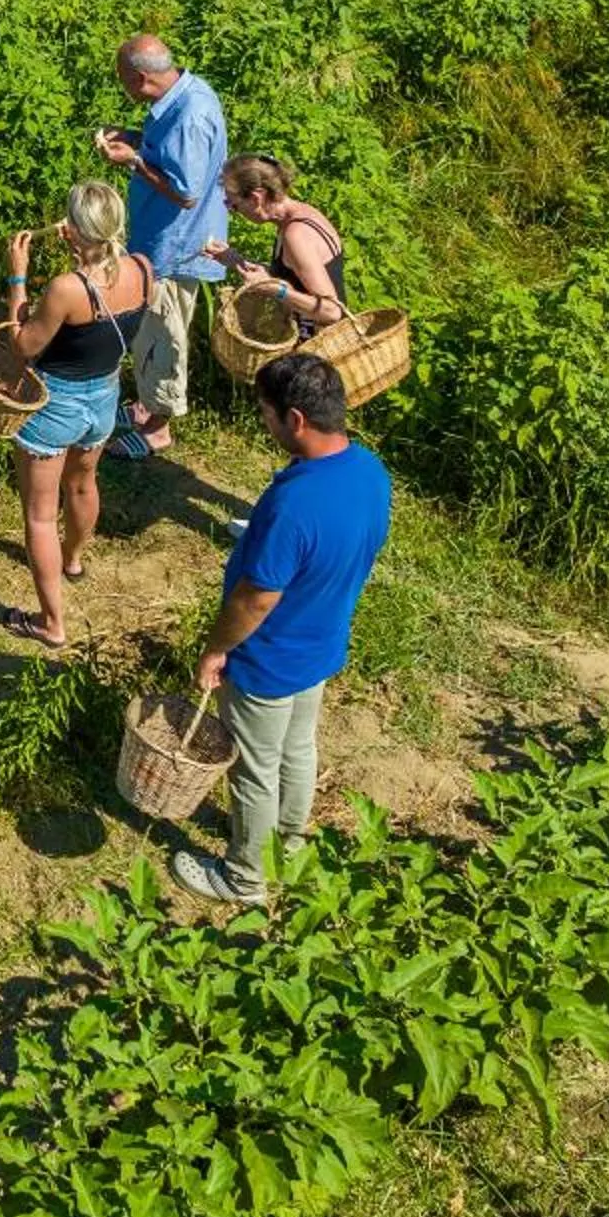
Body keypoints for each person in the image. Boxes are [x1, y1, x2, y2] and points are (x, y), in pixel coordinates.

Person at [168, 352, 393, 905]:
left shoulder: (294, 504)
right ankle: (287, 848)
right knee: (296, 751)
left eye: (266, 414)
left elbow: (257, 597)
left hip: (267, 658)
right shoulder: (368, 470)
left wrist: (216, 649)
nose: (264, 424)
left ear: (295, 419)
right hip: (321, 642)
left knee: (252, 771)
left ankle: (243, 877)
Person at [0, 182, 154, 648]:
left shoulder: (68, 288)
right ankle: (74, 560)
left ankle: (51, 624)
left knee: (40, 515)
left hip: (56, 403)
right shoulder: (143, 269)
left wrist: (17, 278)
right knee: (83, 483)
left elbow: (23, 346)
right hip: (105, 396)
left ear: (69, 233)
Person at [96, 34, 226, 455]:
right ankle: (145, 407)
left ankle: (159, 428)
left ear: (139, 77)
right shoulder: (182, 94)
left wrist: (132, 160)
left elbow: (186, 191)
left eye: (123, 81)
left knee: (166, 330)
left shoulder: (190, 114)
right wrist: (137, 138)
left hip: (178, 244)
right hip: (159, 237)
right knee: (150, 328)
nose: (123, 88)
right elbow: (171, 156)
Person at [205, 154, 348, 331]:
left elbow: (331, 311)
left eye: (234, 205)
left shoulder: (296, 235)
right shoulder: (302, 214)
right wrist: (235, 260)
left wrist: (275, 290)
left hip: (319, 349)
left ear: (256, 198)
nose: (234, 212)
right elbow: (295, 277)